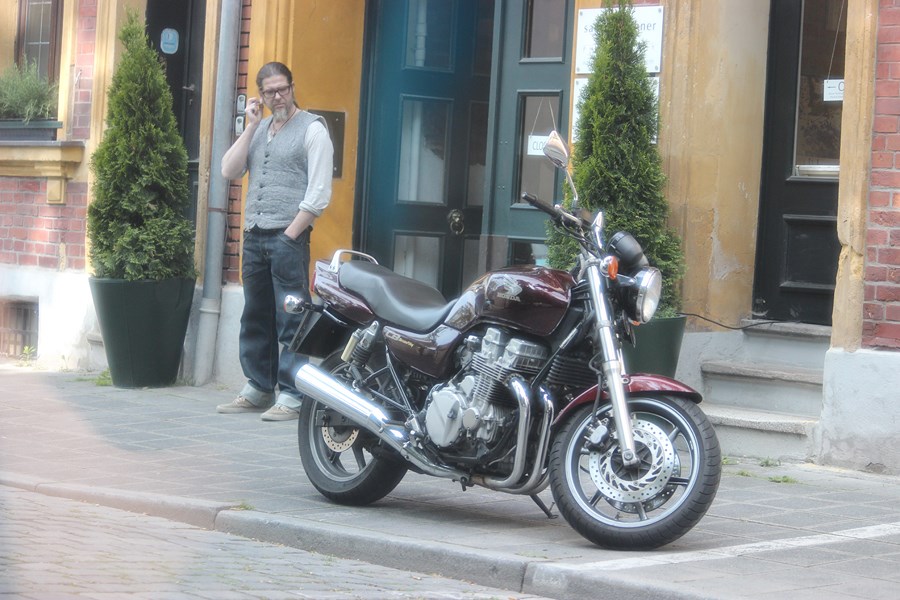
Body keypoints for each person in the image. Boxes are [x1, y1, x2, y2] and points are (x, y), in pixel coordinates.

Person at [216, 62, 333, 421]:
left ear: (292, 87)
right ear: (260, 96)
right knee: (255, 314)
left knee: (291, 318)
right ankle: (258, 386)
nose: (278, 97)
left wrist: (290, 234)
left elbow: (319, 192)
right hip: (254, 236)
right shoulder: (259, 129)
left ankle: (293, 394)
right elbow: (228, 170)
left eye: (283, 89)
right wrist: (250, 125)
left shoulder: (313, 129)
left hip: (288, 237)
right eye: (270, 92)